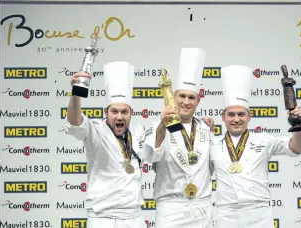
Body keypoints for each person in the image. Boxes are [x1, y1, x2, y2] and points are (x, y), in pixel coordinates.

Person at [210, 65, 301, 228]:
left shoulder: (264, 140)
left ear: (249, 116)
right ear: (223, 117)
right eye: (231, 114)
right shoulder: (212, 144)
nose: (236, 119)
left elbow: (295, 147)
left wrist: (299, 126)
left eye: (241, 114)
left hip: (259, 215)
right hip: (226, 215)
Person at [63, 61, 148, 228]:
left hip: (134, 218)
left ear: (131, 113)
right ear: (105, 112)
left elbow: (164, 132)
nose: (119, 117)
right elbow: (74, 122)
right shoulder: (95, 131)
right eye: (114, 111)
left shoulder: (138, 132)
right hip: (103, 219)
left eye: (124, 112)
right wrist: (76, 93)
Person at [144, 48, 215, 228]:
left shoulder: (206, 129)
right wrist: (163, 124)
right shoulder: (157, 127)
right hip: (171, 209)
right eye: (182, 96)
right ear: (174, 97)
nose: (186, 102)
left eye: (191, 97)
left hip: (202, 208)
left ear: (198, 101)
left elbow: (214, 166)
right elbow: (151, 157)